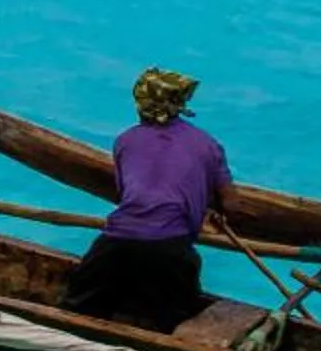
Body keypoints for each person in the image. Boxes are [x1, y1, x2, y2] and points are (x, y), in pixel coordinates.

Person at [60, 67, 232, 332]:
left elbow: (125, 193)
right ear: (180, 104)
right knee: (177, 318)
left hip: (117, 243)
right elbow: (231, 201)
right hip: (172, 248)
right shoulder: (207, 144)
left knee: (77, 306)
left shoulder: (125, 140)